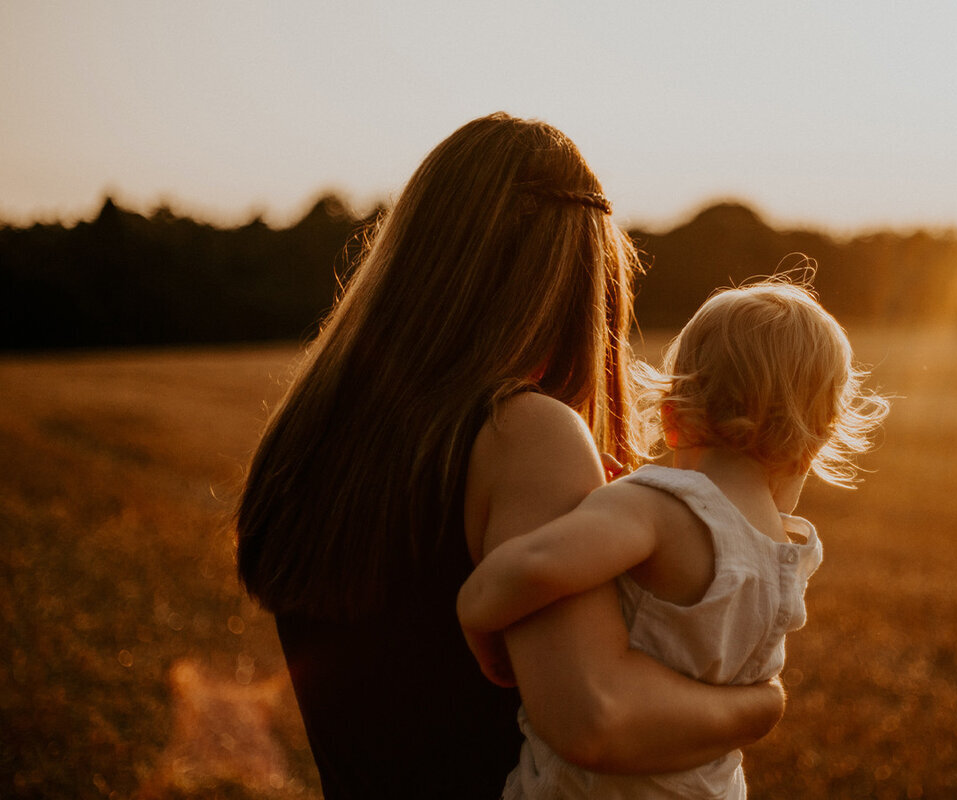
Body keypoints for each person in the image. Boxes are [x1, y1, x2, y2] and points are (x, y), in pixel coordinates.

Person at [235, 113, 786, 799]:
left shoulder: (313, 434)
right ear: (580, 285)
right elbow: (596, 719)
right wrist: (758, 706)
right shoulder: (523, 434)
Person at [458, 278, 890, 798]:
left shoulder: (655, 509)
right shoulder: (789, 555)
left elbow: (537, 564)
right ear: (813, 444)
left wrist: (475, 610)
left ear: (672, 416)